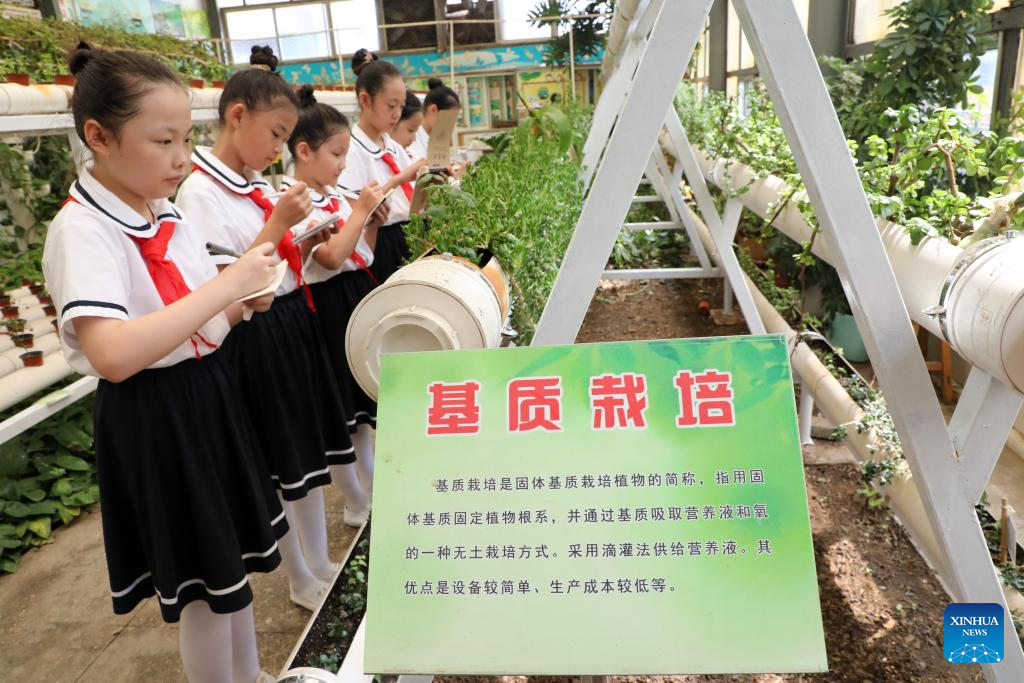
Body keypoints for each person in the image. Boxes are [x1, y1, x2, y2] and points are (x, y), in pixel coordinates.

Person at [43, 43, 283, 683]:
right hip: (157, 415)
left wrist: (239, 303)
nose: (182, 158)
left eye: (186, 139)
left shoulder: (164, 211)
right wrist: (226, 289)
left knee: (230, 567)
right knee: (204, 586)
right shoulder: (81, 230)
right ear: (99, 136)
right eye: (162, 141)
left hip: (206, 394)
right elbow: (113, 354)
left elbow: (200, 321)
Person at [176, 46, 358, 612]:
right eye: (275, 134)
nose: (278, 148)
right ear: (237, 116)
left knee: (307, 455)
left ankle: (319, 564)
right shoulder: (199, 193)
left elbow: (271, 260)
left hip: (288, 322)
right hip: (253, 336)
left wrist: (297, 234)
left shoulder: (251, 182)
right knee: (281, 462)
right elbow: (226, 284)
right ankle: (301, 575)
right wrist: (280, 223)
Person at [282, 85, 386, 504]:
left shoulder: (336, 197)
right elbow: (329, 258)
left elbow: (363, 254)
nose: (344, 164)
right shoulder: (295, 201)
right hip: (328, 308)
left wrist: (370, 222)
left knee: (363, 406)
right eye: (337, 154)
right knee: (345, 411)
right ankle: (359, 501)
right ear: (304, 151)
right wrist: (360, 213)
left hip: (354, 295)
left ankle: (373, 490)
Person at [339, 60, 426, 282]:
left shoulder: (393, 147)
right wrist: (399, 179)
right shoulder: (352, 151)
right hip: (381, 242)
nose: (397, 114)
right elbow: (356, 215)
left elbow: (411, 202)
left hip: (407, 233)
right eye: (391, 105)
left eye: (401, 106)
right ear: (365, 100)